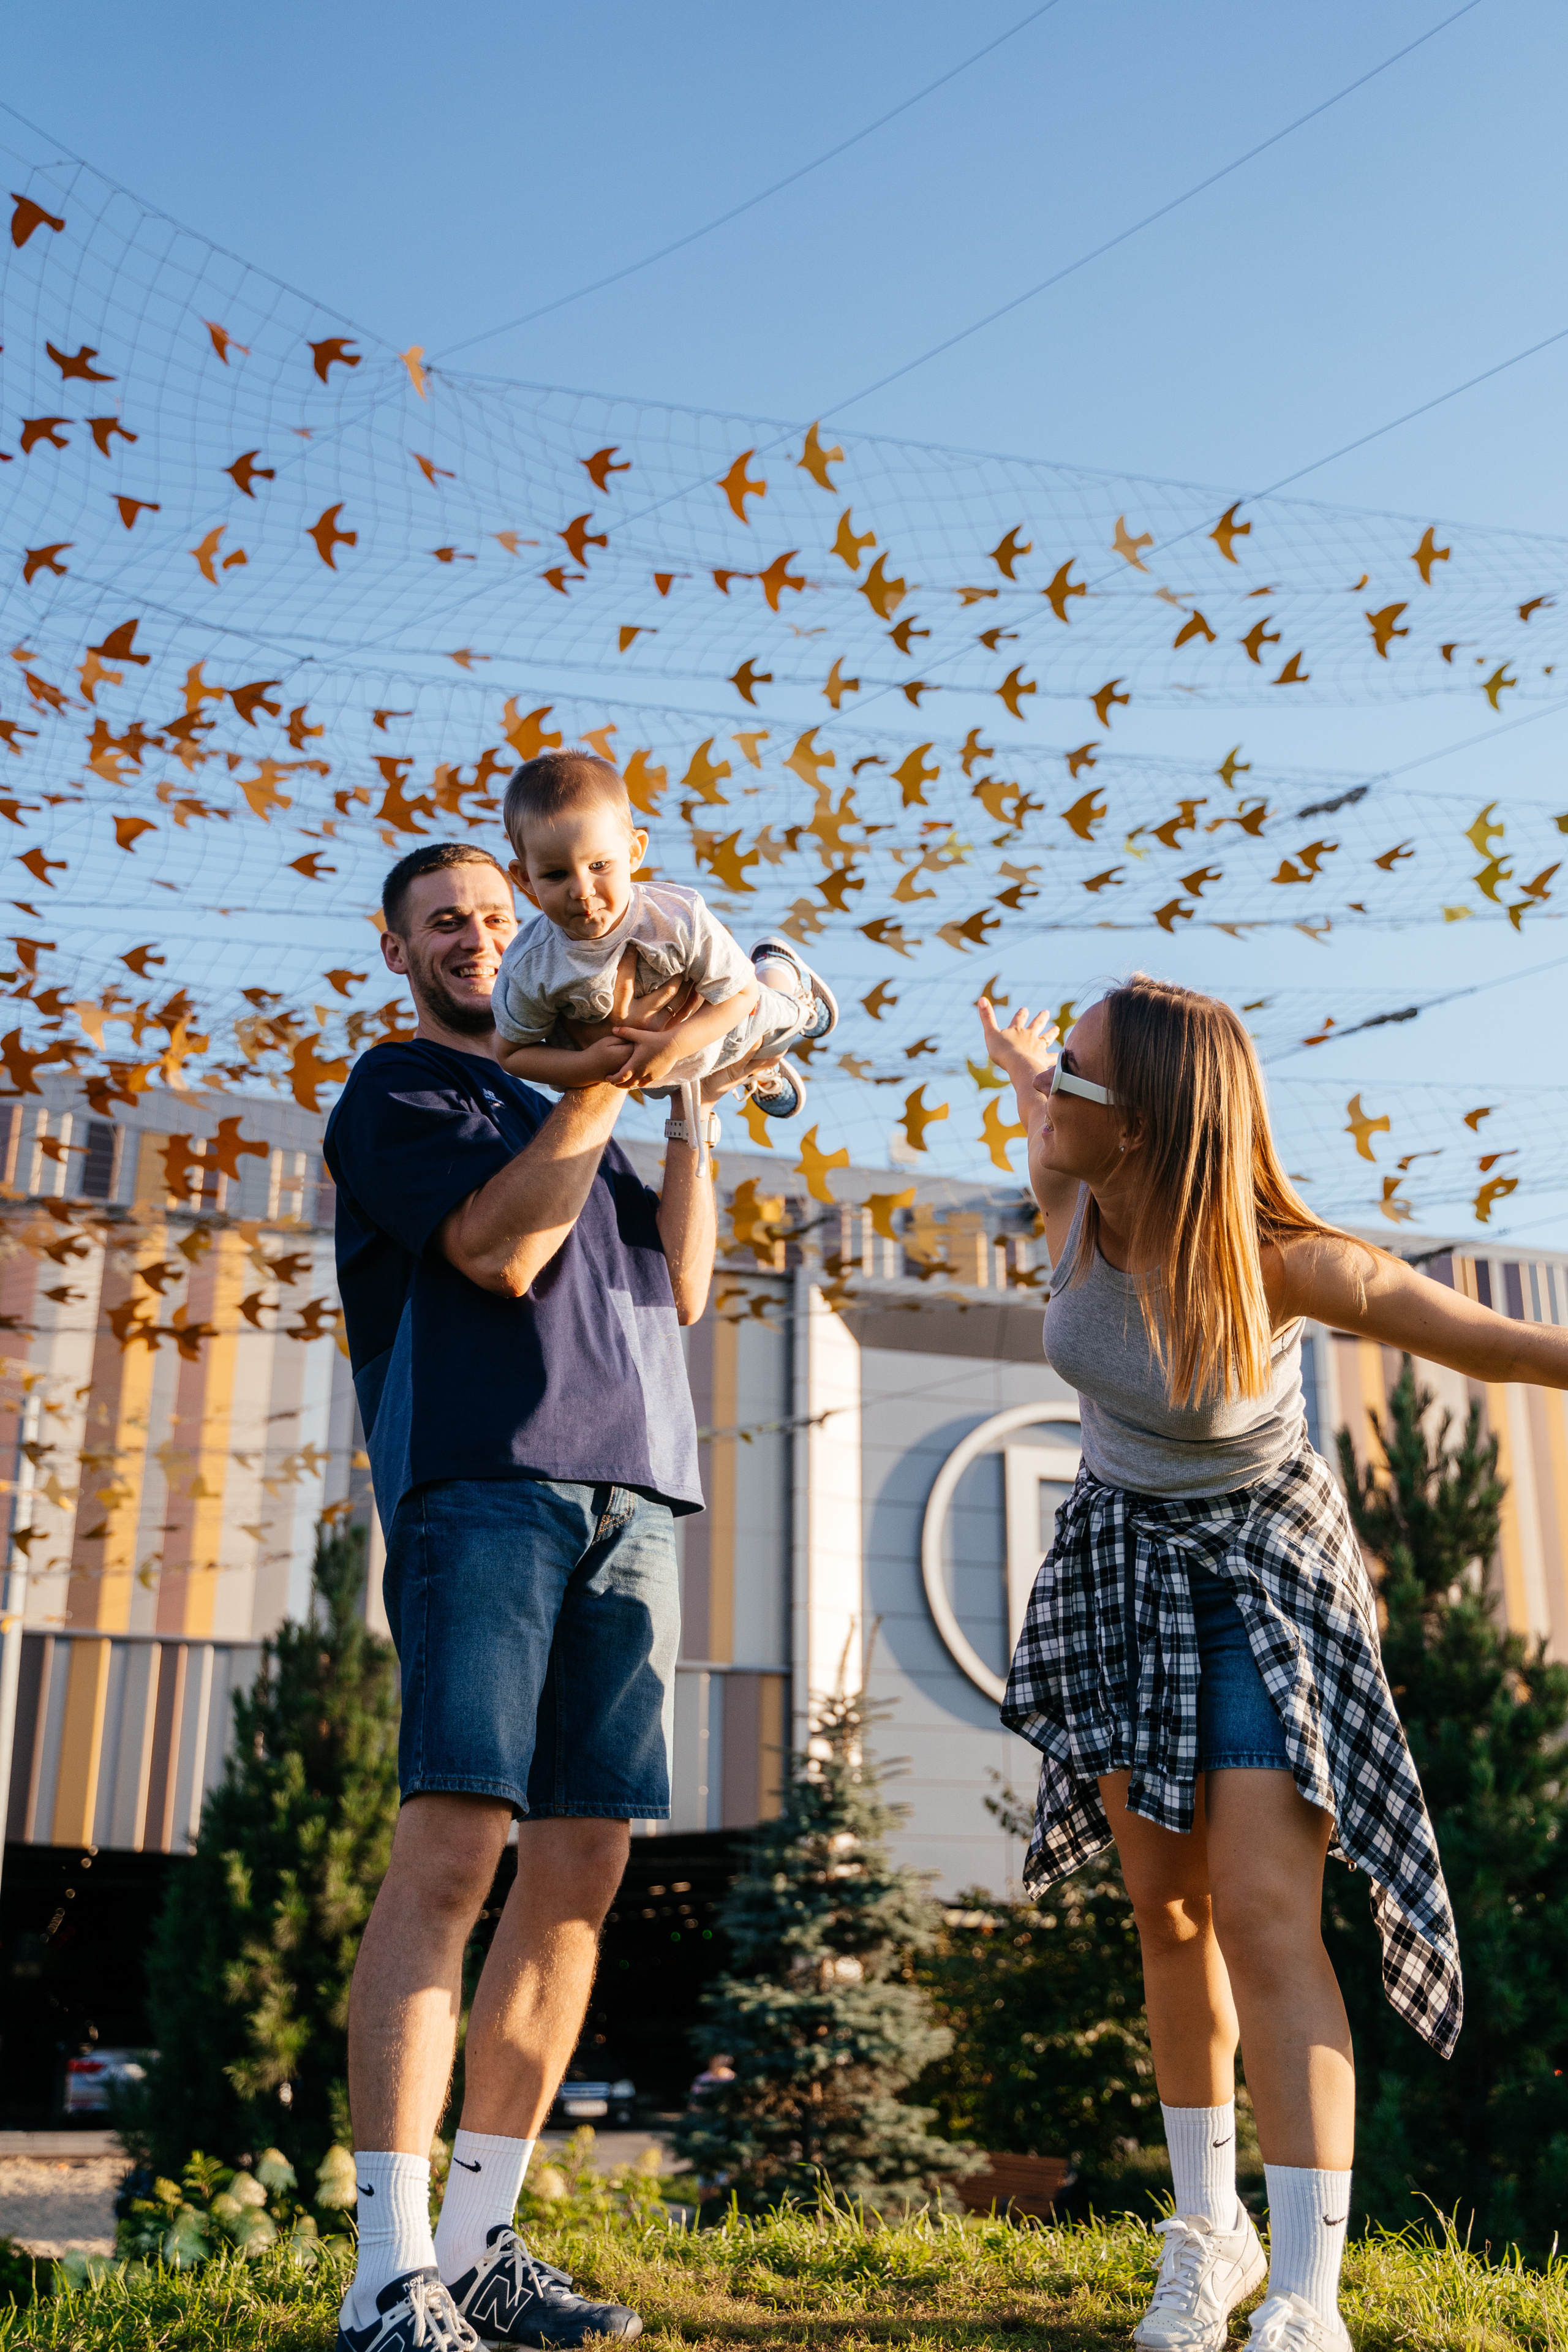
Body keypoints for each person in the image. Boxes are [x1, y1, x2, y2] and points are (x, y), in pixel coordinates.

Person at [980, 974, 1568, 2352]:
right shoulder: (1069, 1181)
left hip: (1261, 1577)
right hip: (1121, 1559)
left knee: (1259, 1912)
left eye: (1074, 1074)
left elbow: (1494, 1345)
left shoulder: (1281, 1259)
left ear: (1153, 1124)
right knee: (1164, 1908)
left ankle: (1304, 2294)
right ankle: (1210, 2233)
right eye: (1055, 1066)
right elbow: (1035, 1109)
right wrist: (1023, 1066)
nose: (1048, 1091)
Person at [323, 839, 722, 2352]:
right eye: (448, 923)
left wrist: (689, 1084)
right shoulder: (400, 1092)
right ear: (398, 949)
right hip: (483, 1483)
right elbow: (499, 1250)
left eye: (500, 915)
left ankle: (485, 2240)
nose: (483, 938)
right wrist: (615, 1073)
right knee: (455, 1844)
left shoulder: (585, 1116)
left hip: (640, 1489)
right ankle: (387, 2267)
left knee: (581, 1870)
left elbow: (681, 1287)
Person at [491, 748, 835, 1123]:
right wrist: (586, 1065)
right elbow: (512, 1053)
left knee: (775, 1016)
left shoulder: (675, 917)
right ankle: (753, 1064)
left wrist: (674, 1045)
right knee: (678, 1085)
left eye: (599, 865)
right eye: (556, 875)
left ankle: (786, 983)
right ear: (525, 878)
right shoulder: (530, 965)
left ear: (634, 852)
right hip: (656, 1075)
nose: (582, 890)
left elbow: (741, 995)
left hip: (726, 1022)